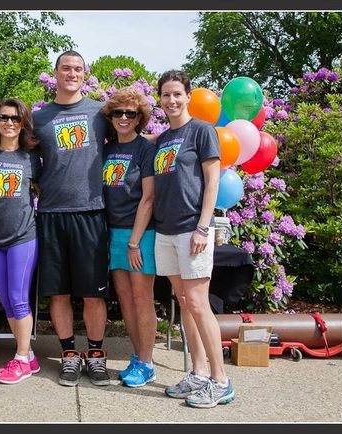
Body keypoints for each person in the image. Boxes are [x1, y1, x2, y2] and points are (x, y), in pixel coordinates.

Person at [153, 70, 235, 408]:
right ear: (159, 99)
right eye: (166, 95)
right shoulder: (160, 140)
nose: (171, 100)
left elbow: (212, 183)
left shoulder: (202, 132)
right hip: (166, 230)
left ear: (188, 96)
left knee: (199, 304)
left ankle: (222, 381)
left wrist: (203, 227)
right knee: (184, 302)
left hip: (192, 229)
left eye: (177, 94)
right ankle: (199, 373)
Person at [32, 50, 110, 387]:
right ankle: (68, 355)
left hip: (91, 212)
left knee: (93, 293)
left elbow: (132, 138)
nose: (71, 73)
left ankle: (95, 355)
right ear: (56, 73)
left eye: (78, 69)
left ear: (85, 73)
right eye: (66, 68)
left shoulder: (100, 113)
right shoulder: (39, 118)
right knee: (58, 292)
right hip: (51, 213)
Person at [0, 98, 42, 384]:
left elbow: (43, 186)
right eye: (4, 117)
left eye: (16, 119)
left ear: (23, 123)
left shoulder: (31, 157)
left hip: (23, 236)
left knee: (18, 298)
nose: (10, 123)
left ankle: (20, 359)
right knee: (5, 301)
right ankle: (28, 356)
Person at [100, 86, 157, 388]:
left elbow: (148, 198)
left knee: (141, 298)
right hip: (111, 234)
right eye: (117, 112)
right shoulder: (107, 149)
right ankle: (138, 357)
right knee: (124, 300)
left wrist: (134, 241)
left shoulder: (145, 150)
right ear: (111, 117)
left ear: (139, 118)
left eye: (130, 113)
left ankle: (147, 362)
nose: (123, 117)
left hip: (139, 235)